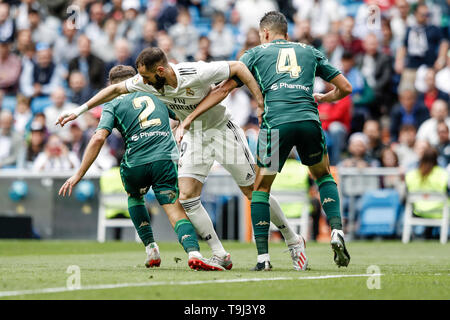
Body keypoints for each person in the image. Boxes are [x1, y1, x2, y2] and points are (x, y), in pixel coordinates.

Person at [56, 47, 305, 271]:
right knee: (186, 197)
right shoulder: (147, 82)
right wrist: (78, 111)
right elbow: (114, 89)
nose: (141, 82)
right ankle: (219, 253)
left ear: (161, 71)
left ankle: (293, 239)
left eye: (146, 77)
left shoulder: (195, 71)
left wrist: (260, 102)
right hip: (194, 136)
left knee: (253, 192)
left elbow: (239, 67)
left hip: (222, 130)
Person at [178, 11, 352, 270]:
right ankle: (337, 230)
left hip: (277, 126)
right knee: (324, 176)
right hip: (308, 121)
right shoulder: (309, 51)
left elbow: (224, 89)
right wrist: (324, 98)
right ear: (287, 33)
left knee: (260, 189)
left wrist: (190, 116)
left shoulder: (254, 54)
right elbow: (346, 88)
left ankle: (263, 259)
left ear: (266, 34)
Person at [58, 65, 224, 271]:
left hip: (135, 161)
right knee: (173, 207)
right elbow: (181, 117)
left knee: (135, 197)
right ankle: (194, 253)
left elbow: (99, 137)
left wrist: (78, 174)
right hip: (164, 158)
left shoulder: (113, 103)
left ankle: (151, 249)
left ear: (112, 86)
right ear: (136, 79)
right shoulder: (156, 95)